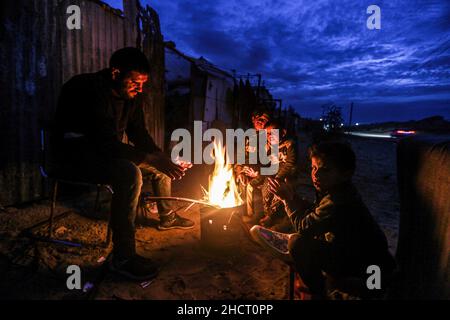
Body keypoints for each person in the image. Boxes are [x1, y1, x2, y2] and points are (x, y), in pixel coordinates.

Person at [53, 47, 194, 281]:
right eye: (134, 82)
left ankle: (167, 217)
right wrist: (150, 158)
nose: (139, 89)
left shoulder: (130, 98)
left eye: (143, 83)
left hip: (106, 153)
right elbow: (103, 142)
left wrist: (161, 158)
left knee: (159, 168)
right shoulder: (87, 89)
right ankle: (123, 258)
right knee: (129, 173)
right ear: (116, 73)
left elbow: (139, 134)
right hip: (74, 157)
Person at [267, 142, 396, 298]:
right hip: (360, 255)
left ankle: (320, 293)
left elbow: (305, 227)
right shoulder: (336, 189)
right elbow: (317, 213)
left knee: (297, 243)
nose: (316, 175)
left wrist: (287, 200)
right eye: (314, 168)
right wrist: (293, 197)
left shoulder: (339, 199)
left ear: (346, 173)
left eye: (325, 170)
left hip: (370, 269)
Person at [253, 119, 298, 232]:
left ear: (282, 132)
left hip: (288, 176)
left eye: (273, 132)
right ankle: (267, 214)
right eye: (267, 133)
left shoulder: (289, 145)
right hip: (274, 174)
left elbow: (290, 164)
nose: (270, 136)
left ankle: (275, 218)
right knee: (264, 187)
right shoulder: (271, 147)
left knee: (277, 188)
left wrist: (278, 177)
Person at [234, 110, 270, 220]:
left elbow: (271, 162)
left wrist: (258, 173)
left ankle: (252, 215)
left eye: (264, 120)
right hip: (247, 170)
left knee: (251, 186)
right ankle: (242, 211)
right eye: (259, 119)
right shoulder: (246, 137)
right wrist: (239, 170)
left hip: (261, 172)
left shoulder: (268, 138)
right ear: (253, 119)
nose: (261, 122)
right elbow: (239, 158)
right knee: (240, 179)